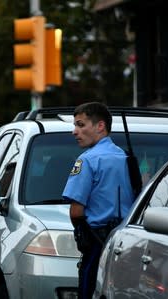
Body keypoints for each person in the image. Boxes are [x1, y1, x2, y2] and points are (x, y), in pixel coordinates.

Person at [62, 102, 135, 299]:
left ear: (100, 126)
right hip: (128, 243)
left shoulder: (87, 160)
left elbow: (76, 212)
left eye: (80, 125)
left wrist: (83, 236)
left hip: (96, 242)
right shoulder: (125, 158)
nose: (74, 132)